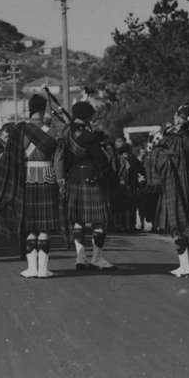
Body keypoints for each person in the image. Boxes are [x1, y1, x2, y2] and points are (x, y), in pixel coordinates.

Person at [0, 94, 62, 278]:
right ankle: (43, 269)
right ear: (44, 110)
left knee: (29, 226)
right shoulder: (52, 131)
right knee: (44, 227)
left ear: (29, 109)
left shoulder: (22, 130)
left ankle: (31, 268)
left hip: (26, 178)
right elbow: (58, 158)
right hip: (47, 178)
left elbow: (13, 155)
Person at [54, 101, 117, 270]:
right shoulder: (90, 137)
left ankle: (80, 257)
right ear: (88, 116)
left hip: (74, 176)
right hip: (91, 177)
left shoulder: (67, 131)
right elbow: (100, 160)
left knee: (78, 220)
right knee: (99, 221)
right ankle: (97, 258)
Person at [147, 106, 189, 277]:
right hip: (187, 185)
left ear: (180, 119)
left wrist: (166, 134)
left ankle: (184, 266)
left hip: (172, 184)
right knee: (187, 227)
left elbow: (157, 155)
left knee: (176, 226)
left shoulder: (174, 139)